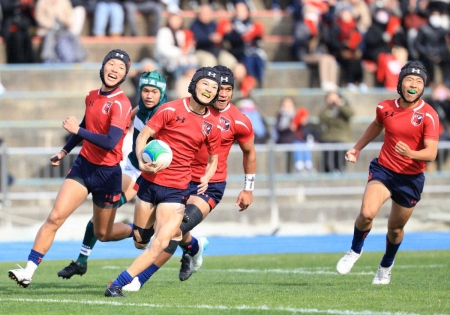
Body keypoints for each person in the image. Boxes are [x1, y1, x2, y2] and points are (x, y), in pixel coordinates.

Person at [119, 65, 256, 291]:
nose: (222, 93)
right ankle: (194, 247)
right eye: (218, 88)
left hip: (209, 186)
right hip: (175, 179)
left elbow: (250, 152)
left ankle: (139, 279)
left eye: (227, 89)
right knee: (144, 238)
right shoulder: (188, 107)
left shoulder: (239, 121)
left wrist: (248, 188)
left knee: (173, 230)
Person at [8, 49, 133, 288]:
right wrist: (64, 151)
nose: (114, 69)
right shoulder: (92, 96)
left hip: (108, 175)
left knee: (103, 234)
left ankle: (137, 230)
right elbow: (86, 125)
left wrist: (78, 130)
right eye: (111, 64)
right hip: (84, 167)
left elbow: (109, 141)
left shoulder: (122, 103)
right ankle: (28, 272)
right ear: (103, 67)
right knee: (55, 217)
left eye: (120, 67)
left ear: (125, 74)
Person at [104, 66, 222, 297]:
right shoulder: (169, 109)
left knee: (159, 242)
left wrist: (207, 176)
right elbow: (144, 136)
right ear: (194, 84)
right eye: (205, 84)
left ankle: (117, 284)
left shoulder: (212, 126)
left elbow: (213, 160)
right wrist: (140, 159)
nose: (209, 89)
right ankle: (194, 245)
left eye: (214, 87)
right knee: (141, 239)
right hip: (149, 184)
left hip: (177, 190)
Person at [56, 70, 168, 279]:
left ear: (162, 93)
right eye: (145, 90)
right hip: (135, 169)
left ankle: (191, 246)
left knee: (139, 240)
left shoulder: (166, 113)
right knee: (104, 212)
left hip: (154, 174)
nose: (148, 95)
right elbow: (130, 116)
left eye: (154, 91)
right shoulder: (141, 106)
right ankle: (81, 260)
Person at [336, 61, 440, 285]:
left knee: (395, 229)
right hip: (384, 170)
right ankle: (355, 250)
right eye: (409, 80)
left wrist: (411, 153)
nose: (413, 85)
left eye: (419, 81)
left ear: (423, 87)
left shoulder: (429, 115)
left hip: (410, 179)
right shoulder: (385, 107)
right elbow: (376, 126)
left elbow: (431, 153)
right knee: (366, 214)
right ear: (400, 84)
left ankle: (386, 265)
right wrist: (356, 148)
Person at [154, 4, 198, 88]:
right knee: (180, 67)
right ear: (169, 20)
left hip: (182, 60)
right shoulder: (163, 32)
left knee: (193, 65)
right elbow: (163, 49)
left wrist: (190, 46)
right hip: (167, 61)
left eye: (178, 19)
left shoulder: (182, 33)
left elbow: (187, 50)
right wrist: (180, 52)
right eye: (174, 19)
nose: (176, 21)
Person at [189, 3, 238, 70]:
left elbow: (224, 37)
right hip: (201, 50)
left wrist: (228, 32)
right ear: (199, 14)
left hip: (216, 50)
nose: (206, 15)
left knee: (231, 61)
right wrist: (210, 38)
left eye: (208, 13)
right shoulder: (195, 25)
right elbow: (197, 39)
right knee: (210, 62)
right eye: (204, 13)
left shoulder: (214, 24)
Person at [274, 96, 314, 173]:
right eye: (285, 105)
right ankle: (299, 165)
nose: (288, 108)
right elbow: (279, 129)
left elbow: (304, 130)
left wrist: (303, 124)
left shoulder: (297, 115)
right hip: (286, 139)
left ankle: (308, 165)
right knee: (297, 145)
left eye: (290, 105)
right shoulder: (280, 116)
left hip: (298, 139)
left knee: (303, 145)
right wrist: (290, 128)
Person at [318, 91, 354, 173]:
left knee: (340, 153)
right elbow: (322, 117)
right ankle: (328, 170)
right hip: (328, 137)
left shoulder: (344, 107)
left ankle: (340, 169)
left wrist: (339, 105)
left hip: (342, 137)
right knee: (327, 153)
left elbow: (350, 114)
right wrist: (328, 105)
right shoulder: (326, 109)